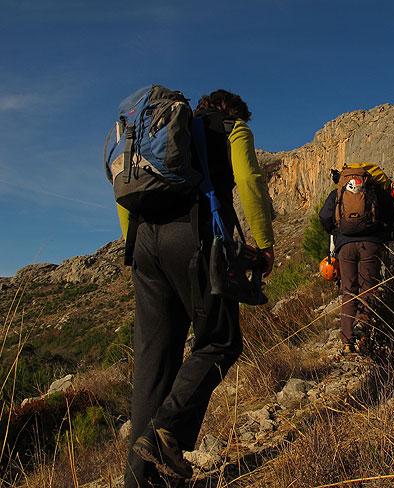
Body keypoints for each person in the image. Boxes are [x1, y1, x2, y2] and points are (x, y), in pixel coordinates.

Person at [122, 89, 275, 488]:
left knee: (153, 364)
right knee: (221, 341)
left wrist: (135, 252)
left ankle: (139, 481)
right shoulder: (231, 127)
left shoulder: (157, 135)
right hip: (194, 239)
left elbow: (126, 192)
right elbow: (247, 178)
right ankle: (165, 432)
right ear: (234, 110)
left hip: (144, 245)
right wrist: (263, 241)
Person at [319, 164, 394, 355]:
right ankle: (365, 334)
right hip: (370, 245)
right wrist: (383, 231)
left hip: (345, 247)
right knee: (368, 289)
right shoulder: (373, 190)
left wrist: (337, 233)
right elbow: (391, 212)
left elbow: (324, 217)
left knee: (348, 291)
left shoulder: (338, 193)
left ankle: (347, 341)